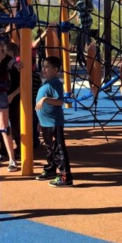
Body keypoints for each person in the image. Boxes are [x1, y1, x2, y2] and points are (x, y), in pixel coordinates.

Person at [35, 56, 72, 187]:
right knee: (50, 149)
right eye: (43, 66)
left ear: (55, 70)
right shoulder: (47, 83)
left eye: (47, 67)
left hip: (54, 123)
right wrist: (40, 121)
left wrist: (45, 99)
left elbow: (60, 101)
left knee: (58, 149)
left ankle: (65, 176)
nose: (43, 69)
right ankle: (51, 169)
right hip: (45, 123)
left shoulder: (55, 83)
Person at [0, 41, 19, 171]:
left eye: (3, 51)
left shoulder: (6, 60)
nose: (1, 53)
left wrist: (18, 64)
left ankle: (12, 159)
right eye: (0, 51)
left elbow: (15, 65)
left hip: (2, 93)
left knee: (4, 126)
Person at [68, 0, 93, 67]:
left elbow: (75, 8)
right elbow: (75, 14)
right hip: (83, 25)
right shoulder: (78, 5)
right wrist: (67, 19)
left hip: (85, 24)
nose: (71, 3)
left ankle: (87, 48)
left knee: (82, 41)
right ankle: (82, 59)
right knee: (80, 42)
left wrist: (67, 3)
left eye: (71, 2)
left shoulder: (80, 3)